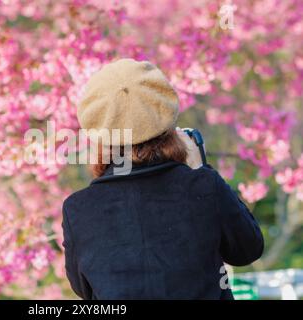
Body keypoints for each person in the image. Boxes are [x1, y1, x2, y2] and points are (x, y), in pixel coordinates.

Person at [61, 58, 264, 300]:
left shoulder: (78, 209)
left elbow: (84, 288)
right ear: (167, 122)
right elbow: (246, 250)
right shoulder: (203, 186)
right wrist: (201, 169)